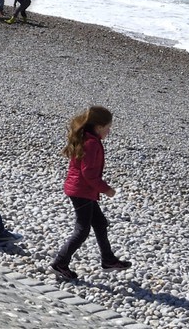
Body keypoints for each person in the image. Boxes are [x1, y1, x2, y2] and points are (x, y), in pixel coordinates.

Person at [49, 105, 132, 283]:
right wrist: (106, 189)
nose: (109, 131)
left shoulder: (86, 138)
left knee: (100, 223)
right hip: (82, 192)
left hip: (80, 190)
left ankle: (108, 260)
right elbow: (89, 174)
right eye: (108, 128)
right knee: (82, 229)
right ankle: (60, 263)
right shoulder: (91, 143)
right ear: (99, 127)